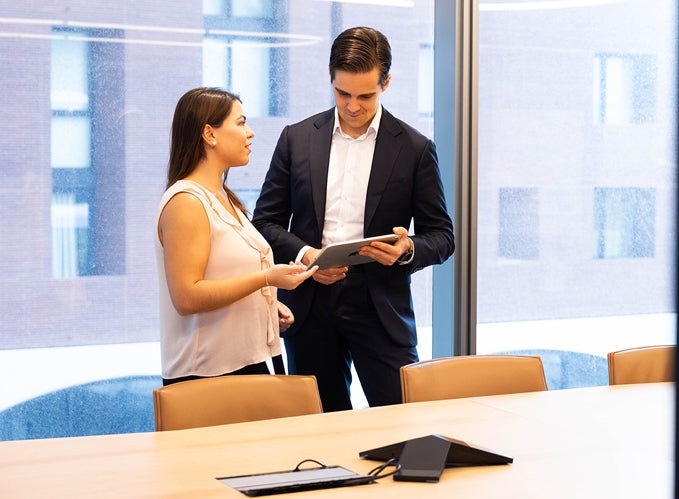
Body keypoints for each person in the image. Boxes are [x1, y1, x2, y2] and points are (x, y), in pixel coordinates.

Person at [252, 26, 455, 411]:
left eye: (366, 95)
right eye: (342, 93)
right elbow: (264, 223)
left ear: (387, 83)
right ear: (331, 79)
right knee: (320, 429)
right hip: (310, 303)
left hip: (380, 306)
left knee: (400, 421)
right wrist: (308, 254)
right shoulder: (296, 139)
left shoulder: (414, 149)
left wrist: (408, 249)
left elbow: (443, 237)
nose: (353, 106)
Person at [156, 87, 317, 386]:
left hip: (244, 364)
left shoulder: (223, 198)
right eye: (241, 123)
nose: (250, 133)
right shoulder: (186, 202)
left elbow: (224, 278)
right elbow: (187, 296)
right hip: (206, 375)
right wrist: (267, 279)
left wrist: (264, 304)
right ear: (209, 134)